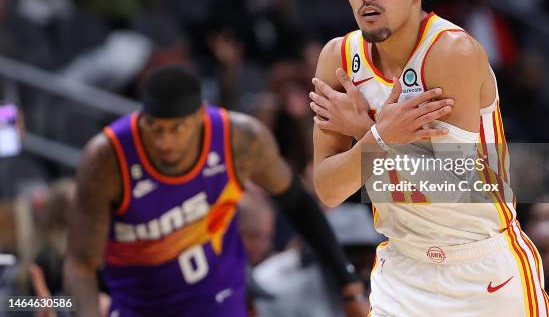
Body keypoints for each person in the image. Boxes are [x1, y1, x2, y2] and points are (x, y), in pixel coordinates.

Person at [310, 0, 549, 316]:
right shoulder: (337, 58)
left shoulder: (451, 53)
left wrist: (363, 132)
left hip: (483, 271)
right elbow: (329, 190)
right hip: (401, 270)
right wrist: (380, 137)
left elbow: (453, 185)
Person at [63, 64, 368, 317]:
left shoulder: (239, 140)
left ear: (199, 118)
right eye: (154, 128)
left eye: (176, 129)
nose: (164, 142)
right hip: (142, 309)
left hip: (220, 305)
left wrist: (349, 285)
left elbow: (299, 205)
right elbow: (80, 265)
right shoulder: (106, 159)